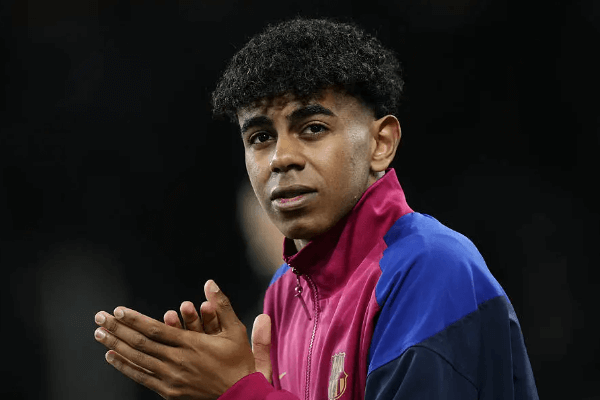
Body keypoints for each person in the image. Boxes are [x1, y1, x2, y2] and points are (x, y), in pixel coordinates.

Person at [94, 17, 539, 399]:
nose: (280, 158)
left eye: (312, 128)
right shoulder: (283, 294)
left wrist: (239, 391)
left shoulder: (431, 270)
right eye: (260, 137)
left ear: (381, 143)